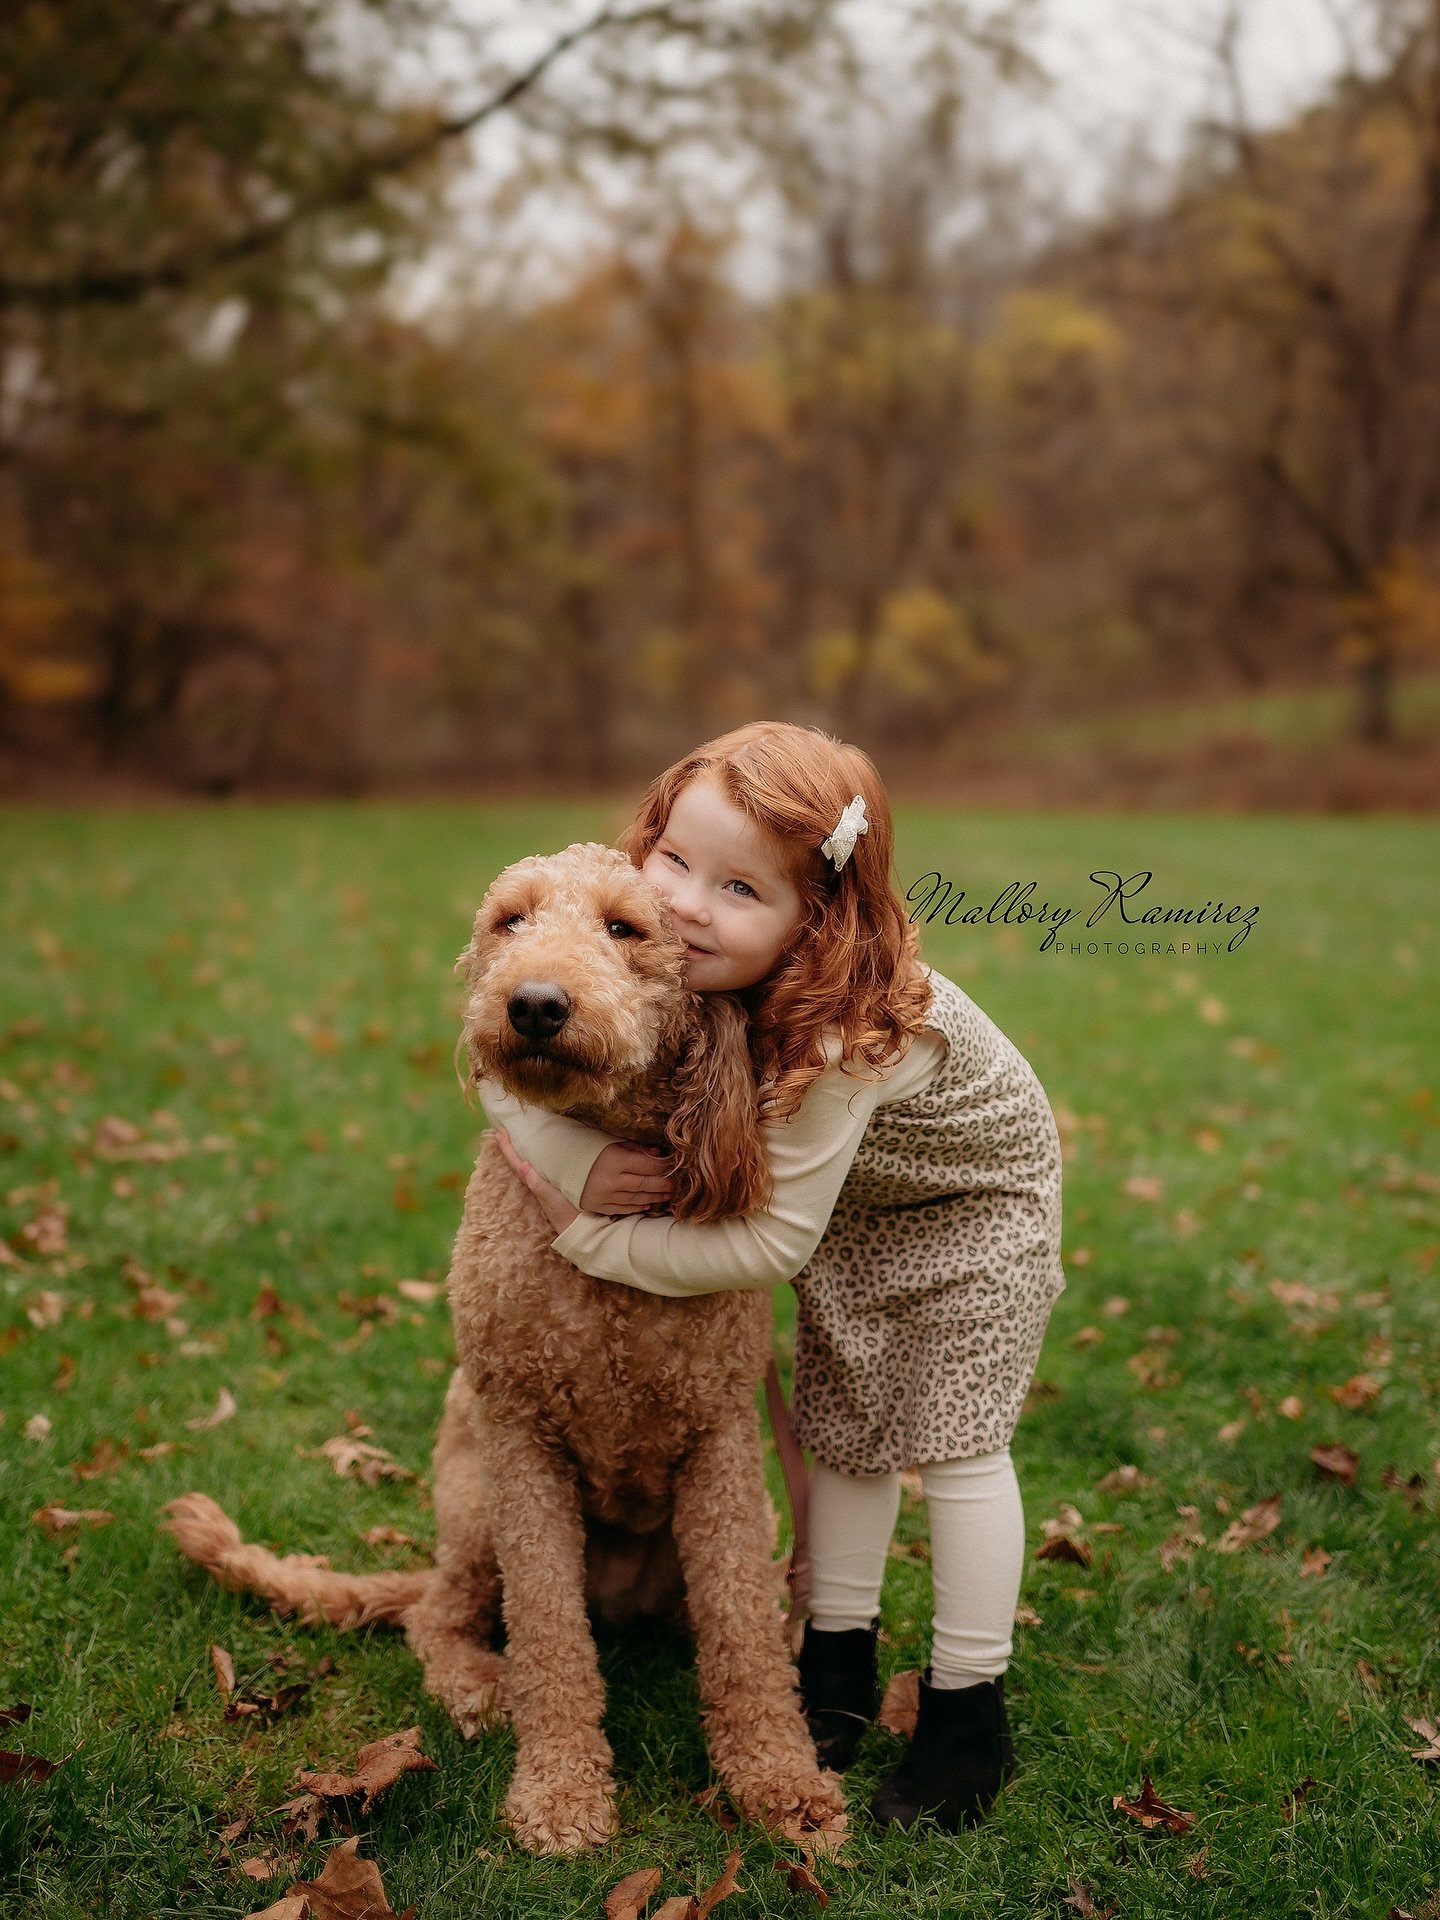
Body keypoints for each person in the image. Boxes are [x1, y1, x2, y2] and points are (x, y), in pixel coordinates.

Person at [484, 721, 1065, 1834]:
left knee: (955, 1442)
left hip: (974, 1206)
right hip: (848, 1204)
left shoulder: (844, 1032)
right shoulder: (643, 956)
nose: (694, 906)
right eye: (678, 864)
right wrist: (576, 1161)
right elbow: (511, 1068)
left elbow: (764, 1250)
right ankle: (836, 1667)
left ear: (817, 922)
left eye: (742, 887)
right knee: (843, 1426)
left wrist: (583, 1229)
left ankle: (965, 1711)